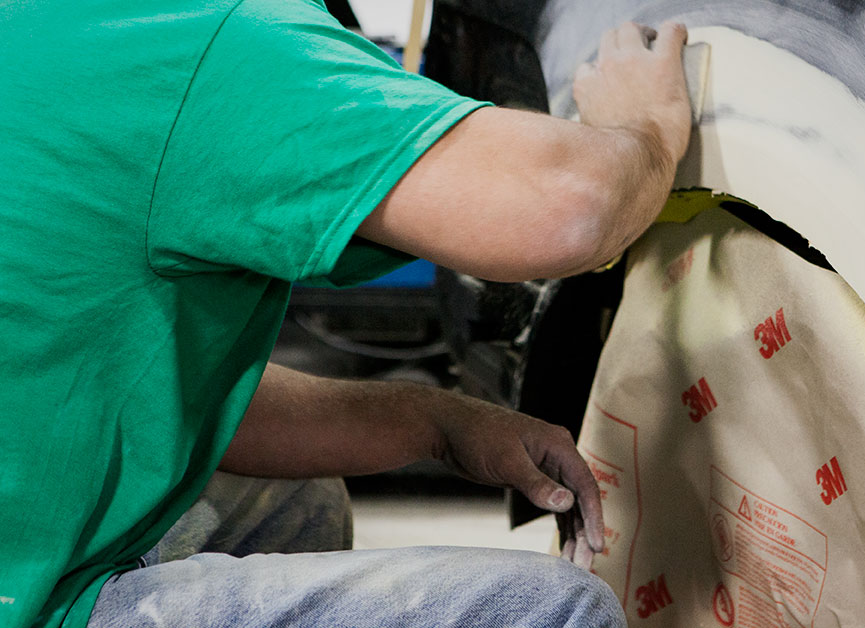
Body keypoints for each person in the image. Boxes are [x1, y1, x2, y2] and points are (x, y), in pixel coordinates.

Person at [0, 0, 693, 626]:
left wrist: (440, 424)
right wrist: (647, 129)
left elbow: (142, 397)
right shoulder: (209, 39)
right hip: (30, 599)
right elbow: (571, 204)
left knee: (296, 504)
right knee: (553, 609)